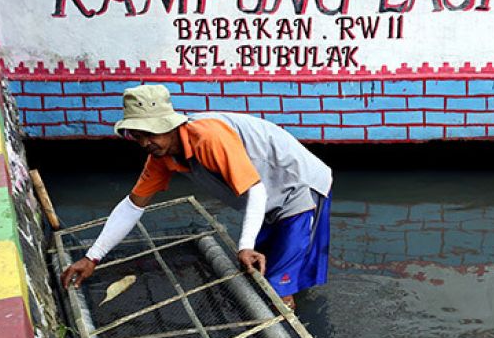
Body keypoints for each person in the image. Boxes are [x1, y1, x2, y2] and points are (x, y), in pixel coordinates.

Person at [60, 84, 332, 309]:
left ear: (168, 125)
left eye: (149, 134)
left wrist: (244, 245)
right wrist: (92, 257)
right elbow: (133, 206)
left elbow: (255, 190)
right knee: (260, 269)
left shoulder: (208, 137)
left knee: (276, 285)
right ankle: (288, 293)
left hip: (298, 188)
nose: (144, 143)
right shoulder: (161, 155)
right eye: (137, 136)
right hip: (268, 199)